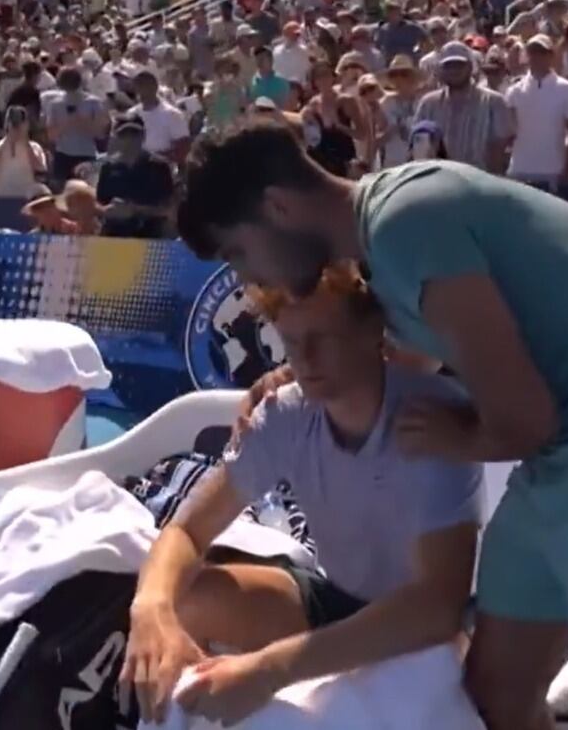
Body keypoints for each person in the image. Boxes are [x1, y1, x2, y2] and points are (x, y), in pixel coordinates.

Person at [176, 118, 568, 730]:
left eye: (239, 251)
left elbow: (524, 419)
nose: (247, 277)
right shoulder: (385, 246)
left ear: (278, 206)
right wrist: (294, 378)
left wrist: (461, 438)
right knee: (492, 700)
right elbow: (402, 364)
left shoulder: (407, 224)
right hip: (561, 460)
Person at [120, 261, 482, 725]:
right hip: (332, 598)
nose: (304, 361)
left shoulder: (435, 420)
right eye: (291, 341)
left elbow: (436, 607)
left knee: (432, 691)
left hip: (422, 626)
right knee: (187, 601)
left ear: (375, 328)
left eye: (323, 338)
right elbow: (189, 533)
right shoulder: (286, 414)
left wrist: (270, 670)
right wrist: (151, 607)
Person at [414, 41, 512, 174]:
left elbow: (501, 150)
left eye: (459, 65)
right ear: (440, 70)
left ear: (471, 67)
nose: (454, 70)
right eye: (448, 66)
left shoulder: (493, 102)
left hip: (479, 183)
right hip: (438, 183)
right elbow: (419, 151)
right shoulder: (428, 104)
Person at [505, 34, 568, 192]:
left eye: (542, 52)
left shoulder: (567, 89)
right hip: (519, 170)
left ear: (551, 56)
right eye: (532, 52)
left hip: (553, 171)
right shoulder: (514, 91)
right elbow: (508, 131)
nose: (536, 57)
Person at [96, 115, 175, 239]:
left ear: (143, 136)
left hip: (151, 239)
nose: (129, 140)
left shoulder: (160, 166)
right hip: (114, 238)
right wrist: (109, 211)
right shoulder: (108, 167)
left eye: (134, 134)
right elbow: (100, 203)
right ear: (117, 138)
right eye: (124, 135)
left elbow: (169, 209)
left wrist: (135, 210)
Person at [44, 66, 108, 191]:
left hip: (86, 155)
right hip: (62, 156)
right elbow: (51, 136)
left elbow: (100, 133)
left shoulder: (93, 103)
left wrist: (83, 122)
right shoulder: (55, 104)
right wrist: (67, 123)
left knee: (87, 194)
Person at [127, 70, 190, 165]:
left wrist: (155, 157)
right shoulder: (131, 114)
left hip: (163, 169)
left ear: (155, 87)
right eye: (138, 86)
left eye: (145, 86)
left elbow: (183, 149)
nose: (141, 91)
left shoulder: (172, 115)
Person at [0, 105, 47, 198]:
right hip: (1, 196)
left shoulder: (34, 147)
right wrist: (8, 140)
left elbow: (40, 168)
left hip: (25, 197)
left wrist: (25, 143)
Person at [378, 54, 421, 167]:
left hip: (419, 162)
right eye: (394, 75)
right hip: (393, 163)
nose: (399, 79)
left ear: (412, 77)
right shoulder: (385, 103)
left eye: (404, 74)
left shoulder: (423, 102)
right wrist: (390, 131)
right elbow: (376, 139)